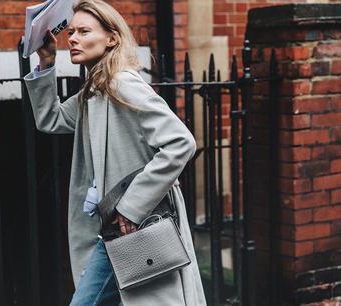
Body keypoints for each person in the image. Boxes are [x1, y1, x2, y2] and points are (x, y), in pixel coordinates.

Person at [23, 0, 206, 305]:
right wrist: (45, 63)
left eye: (84, 31)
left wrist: (131, 207)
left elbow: (181, 142)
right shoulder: (95, 90)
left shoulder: (122, 84)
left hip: (134, 225)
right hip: (116, 229)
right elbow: (50, 119)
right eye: (71, 32)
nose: (73, 38)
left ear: (111, 38)